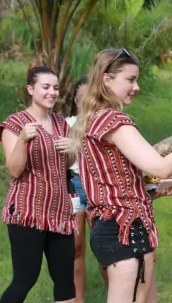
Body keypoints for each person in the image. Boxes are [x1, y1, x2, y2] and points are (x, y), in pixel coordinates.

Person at [70, 48, 172, 303]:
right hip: (126, 231)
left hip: (109, 227)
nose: (136, 86)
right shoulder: (114, 121)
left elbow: (110, 182)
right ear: (107, 80)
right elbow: (159, 168)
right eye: (130, 79)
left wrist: (152, 191)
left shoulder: (91, 120)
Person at [0, 63, 76, 303]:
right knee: (26, 278)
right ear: (31, 89)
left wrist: (73, 149)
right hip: (27, 212)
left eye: (55, 87)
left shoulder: (62, 124)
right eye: (46, 87)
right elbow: (14, 170)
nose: (52, 92)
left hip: (60, 214)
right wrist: (22, 139)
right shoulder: (14, 124)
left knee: (65, 280)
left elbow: (64, 167)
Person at [66, 77, 110, 302]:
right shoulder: (66, 124)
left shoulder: (105, 124)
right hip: (73, 186)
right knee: (76, 247)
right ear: (75, 99)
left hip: (97, 186)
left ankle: (120, 292)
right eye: (80, 97)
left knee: (105, 245)